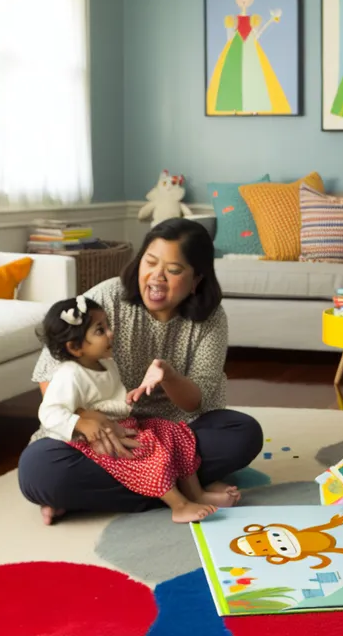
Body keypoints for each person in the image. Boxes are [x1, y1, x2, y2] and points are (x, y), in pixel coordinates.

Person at [18, 218, 263, 523]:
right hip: (100, 434)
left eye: (173, 271)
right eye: (150, 262)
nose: (156, 277)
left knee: (243, 434)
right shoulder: (105, 298)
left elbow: (197, 402)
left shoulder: (210, 319)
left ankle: (93, 496)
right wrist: (88, 419)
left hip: (173, 430)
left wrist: (170, 377)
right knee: (39, 472)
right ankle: (179, 490)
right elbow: (49, 372)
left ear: (196, 279)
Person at [35, 295, 240, 525]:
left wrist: (129, 397)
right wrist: (81, 423)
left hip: (125, 426)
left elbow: (109, 398)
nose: (111, 333)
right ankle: (178, 505)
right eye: (100, 330)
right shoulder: (69, 374)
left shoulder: (107, 363)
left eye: (108, 326)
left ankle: (196, 492)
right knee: (148, 450)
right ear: (74, 347)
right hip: (95, 439)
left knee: (171, 432)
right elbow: (49, 412)